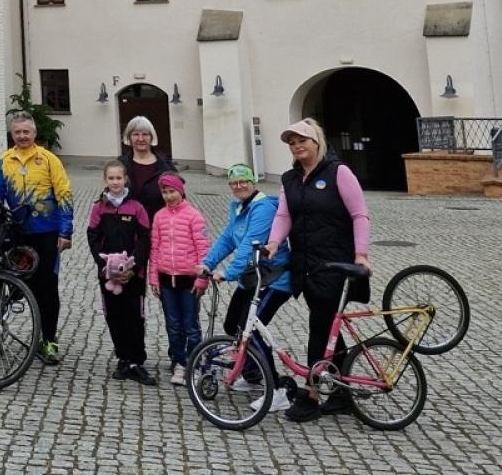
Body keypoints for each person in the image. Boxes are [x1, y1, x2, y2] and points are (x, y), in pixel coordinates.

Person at [264, 118, 371, 423]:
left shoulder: (339, 173)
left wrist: (361, 254)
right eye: (292, 142)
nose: (297, 146)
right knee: (330, 332)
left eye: (303, 141)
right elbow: (284, 214)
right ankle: (341, 393)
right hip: (306, 265)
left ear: (317, 142)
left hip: (336, 264)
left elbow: (360, 215)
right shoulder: (291, 179)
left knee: (318, 329)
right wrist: (273, 244)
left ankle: (311, 395)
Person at [198, 163, 294, 411]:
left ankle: (277, 390)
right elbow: (228, 238)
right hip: (252, 279)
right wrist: (207, 263)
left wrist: (228, 273)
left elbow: (249, 246)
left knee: (251, 331)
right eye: (234, 183)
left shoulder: (262, 208)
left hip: (274, 280)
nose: (239, 186)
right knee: (234, 326)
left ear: (254, 182)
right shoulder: (240, 208)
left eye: (244, 181)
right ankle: (253, 375)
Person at [0, 109, 74, 366]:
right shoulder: (5, 160)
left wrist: (65, 230)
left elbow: (64, 194)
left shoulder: (49, 160)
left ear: (34, 133)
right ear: (11, 134)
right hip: (17, 233)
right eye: (18, 132)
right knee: (12, 284)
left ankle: (48, 340)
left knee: (47, 289)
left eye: (27, 131)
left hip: (46, 233)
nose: (22, 136)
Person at [86, 159, 155, 385]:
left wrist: (133, 265)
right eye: (111, 178)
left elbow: (145, 238)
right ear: (105, 180)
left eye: (119, 178)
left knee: (135, 316)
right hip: (108, 275)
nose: (115, 182)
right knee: (114, 316)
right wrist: (103, 264)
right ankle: (123, 358)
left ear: (126, 179)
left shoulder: (137, 207)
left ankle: (137, 360)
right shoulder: (98, 207)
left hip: (133, 274)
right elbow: (93, 237)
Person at [146, 171, 207, 386]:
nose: (169, 196)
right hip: (166, 279)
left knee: (191, 324)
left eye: (172, 191)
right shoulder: (159, 216)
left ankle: (195, 361)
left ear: (180, 191)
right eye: (165, 192)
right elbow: (155, 248)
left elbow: (203, 249)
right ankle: (179, 361)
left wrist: (202, 279)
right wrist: (153, 277)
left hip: (188, 279)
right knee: (173, 324)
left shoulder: (194, 216)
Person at [121, 115, 177, 220]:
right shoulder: (120, 165)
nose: (141, 138)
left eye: (145, 134)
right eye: (136, 134)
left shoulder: (166, 166)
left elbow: (178, 198)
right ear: (129, 137)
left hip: (160, 225)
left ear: (151, 137)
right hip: (129, 229)